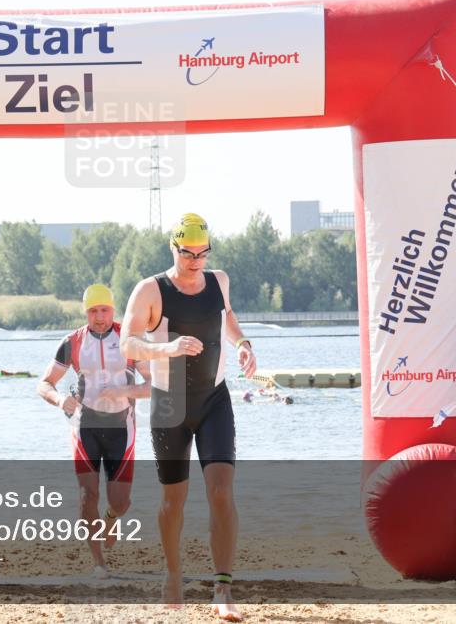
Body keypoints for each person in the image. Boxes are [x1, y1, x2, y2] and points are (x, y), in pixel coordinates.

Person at [119, 213, 256, 622]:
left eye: (202, 253)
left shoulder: (220, 281)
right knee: (172, 500)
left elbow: (226, 317)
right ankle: (173, 574)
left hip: (214, 399)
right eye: (187, 253)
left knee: (221, 491)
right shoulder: (151, 290)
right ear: (172, 248)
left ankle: (223, 586)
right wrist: (169, 348)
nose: (195, 261)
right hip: (168, 402)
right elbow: (128, 343)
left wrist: (244, 342)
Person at [36, 283, 151, 578]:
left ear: (113, 310)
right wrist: (62, 399)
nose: (99, 316)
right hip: (84, 427)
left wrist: (124, 390)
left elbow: (155, 385)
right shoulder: (72, 342)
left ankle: (111, 519)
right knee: (88, 495)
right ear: (86, 312)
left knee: (120, 502)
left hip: (121, 428)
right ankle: (99, 563)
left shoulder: (129, 340)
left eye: (104, 310)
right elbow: (44, 384)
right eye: (93, 311)